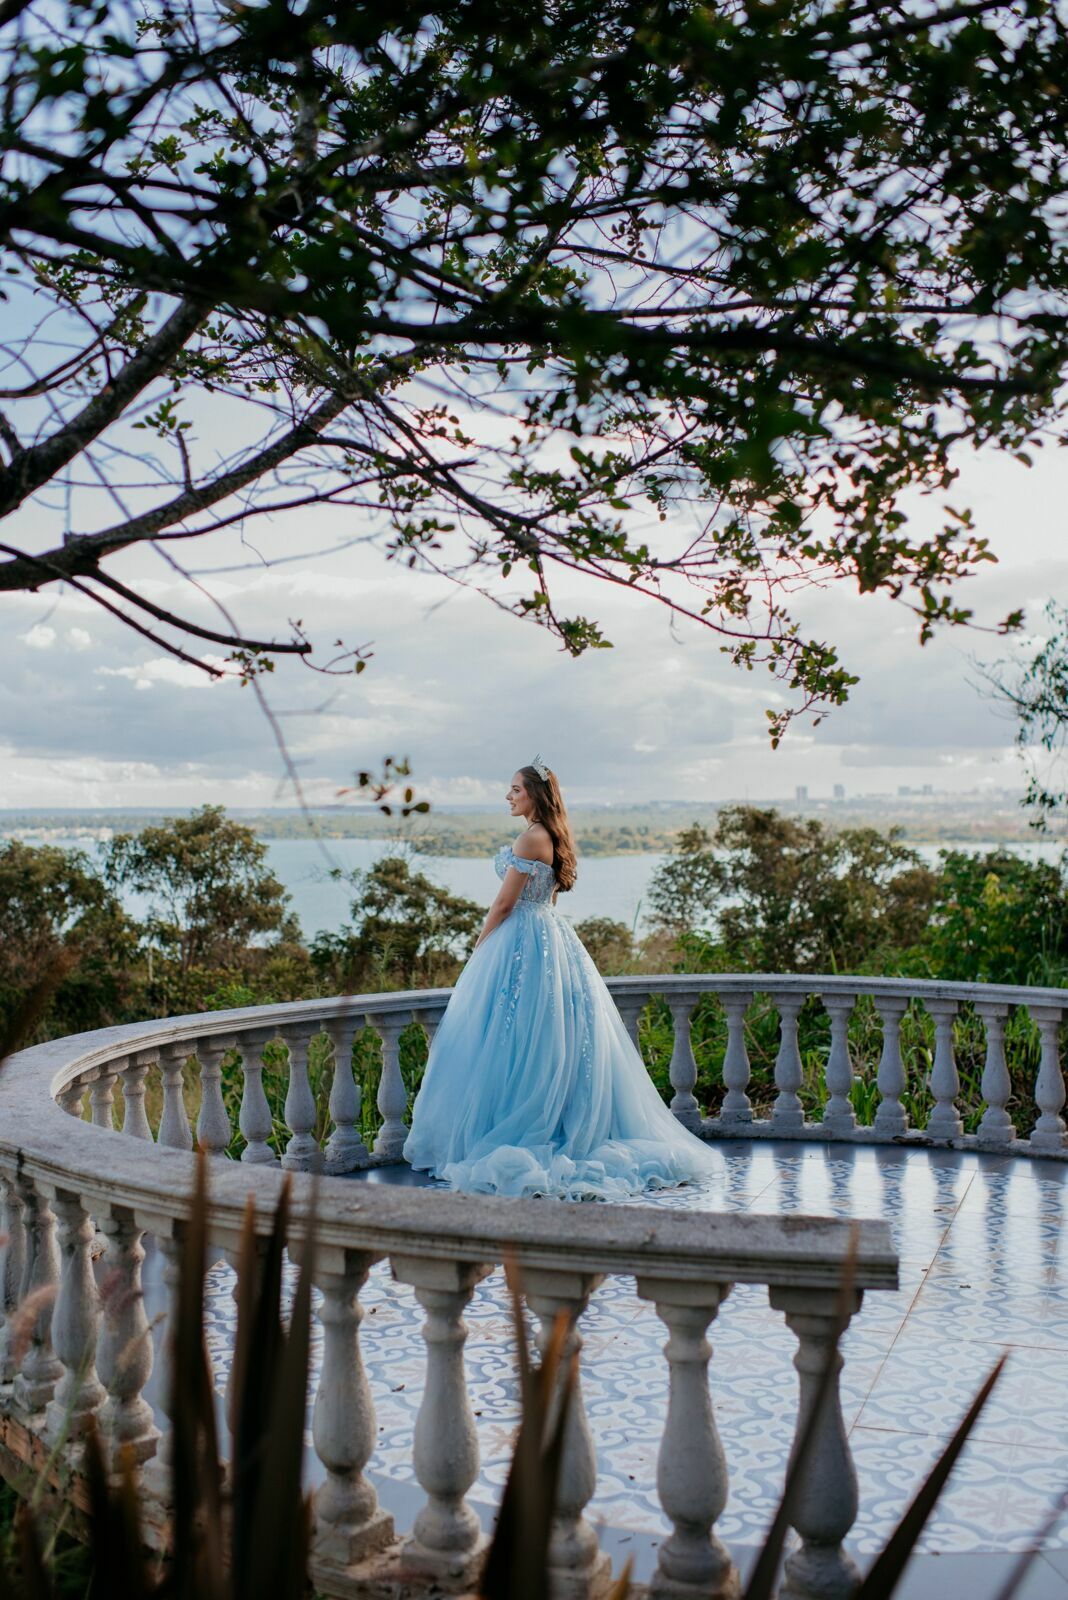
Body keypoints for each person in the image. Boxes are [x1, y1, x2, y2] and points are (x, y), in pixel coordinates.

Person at [403, 759, 719, 1199]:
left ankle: (520, 1127)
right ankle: (552, 1118)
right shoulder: (553, 836)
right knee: (545, 1038)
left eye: (515, 789)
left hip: (522, 941)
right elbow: (544, 898)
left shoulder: (530, 837)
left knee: (515, 1038)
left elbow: (503, 905)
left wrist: (479, 951)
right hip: (549, 937)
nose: (508, 796)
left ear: (535, 794)